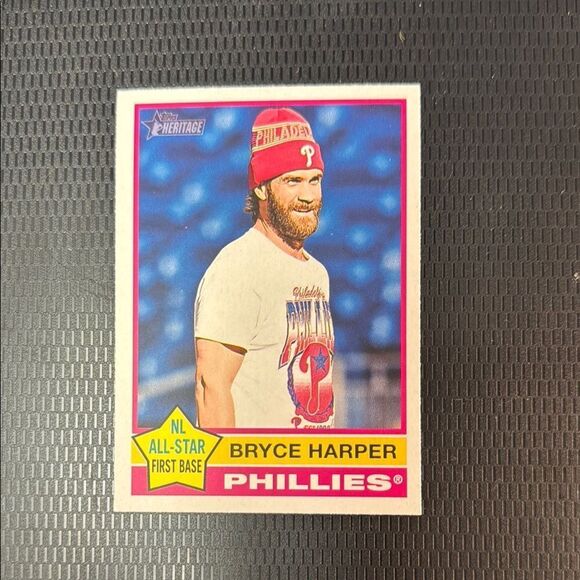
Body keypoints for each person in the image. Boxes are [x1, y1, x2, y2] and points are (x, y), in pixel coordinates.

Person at [194, 107, 335, 429]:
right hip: (260, 459)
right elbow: (210, 387)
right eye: (293, 181)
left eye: (314, 180)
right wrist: (227, 461)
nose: (308, 196)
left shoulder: (317, 273)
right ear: (261, 187)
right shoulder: (238, 267)